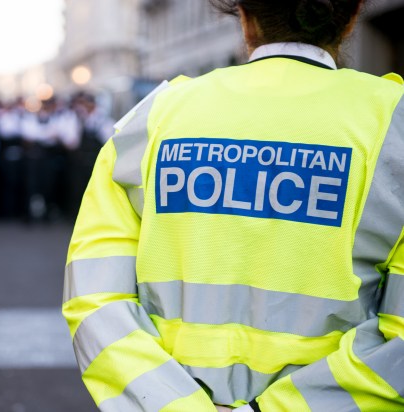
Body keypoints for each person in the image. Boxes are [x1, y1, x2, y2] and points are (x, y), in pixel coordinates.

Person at [62, 0, 404, 410]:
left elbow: (96, 301)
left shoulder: (154, 117)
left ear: (245, 18)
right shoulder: (395, 124)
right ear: (351, 18)